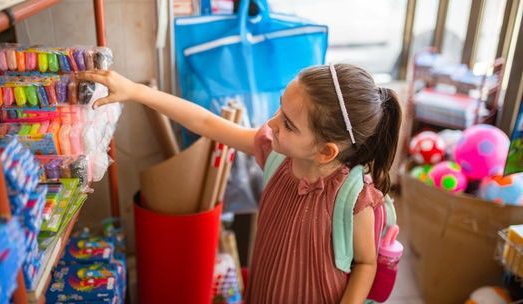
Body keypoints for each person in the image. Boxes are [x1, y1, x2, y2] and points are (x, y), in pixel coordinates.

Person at [78, 63, 402, 304]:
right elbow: (205, 121)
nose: (272, 123)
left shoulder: (354, 198)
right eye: (280, 109)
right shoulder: (277, 156)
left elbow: (365, 263)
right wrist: (137, 91)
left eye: (288, 124)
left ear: (325, 151)